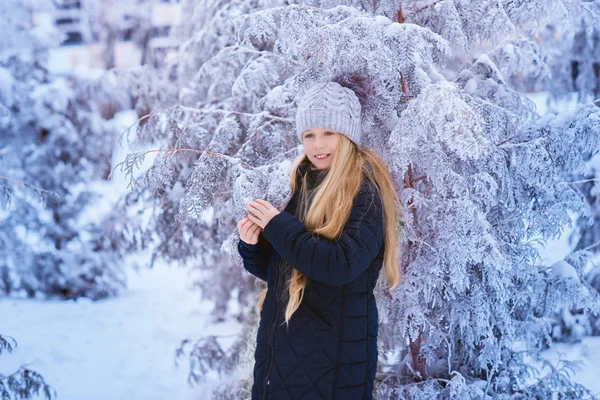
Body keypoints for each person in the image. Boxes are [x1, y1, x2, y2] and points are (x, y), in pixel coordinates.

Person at [237, 77, 403, 400]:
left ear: (348, 135)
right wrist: (254, 246)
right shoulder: (306, 182)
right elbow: (288, 265)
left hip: (330, 370)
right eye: (310, 135)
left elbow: (338, 264)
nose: (318, 145)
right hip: (286, 363)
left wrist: (278, 225)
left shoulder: (364, 193)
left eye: (329, 133)